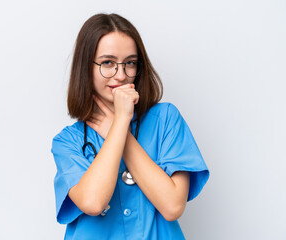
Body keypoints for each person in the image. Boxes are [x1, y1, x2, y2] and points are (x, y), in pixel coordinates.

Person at [51, 13, 209, 240]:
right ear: (86, 67)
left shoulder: (165, 120)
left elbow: (173, 206)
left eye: (130, 63)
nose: (122, 75)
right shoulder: (68, 142)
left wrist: (119, 126)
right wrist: (119, 124)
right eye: (107, 63)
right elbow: (93, 202)